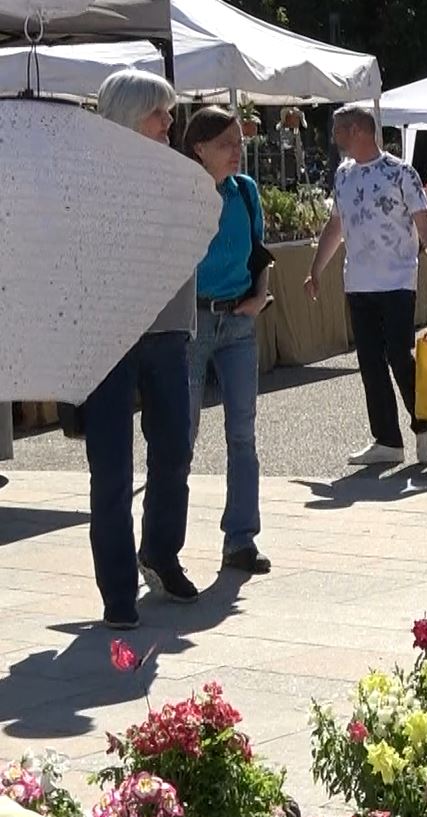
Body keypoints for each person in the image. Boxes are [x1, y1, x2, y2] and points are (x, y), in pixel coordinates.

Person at [83, 70, 200, 628]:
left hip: (169, 330)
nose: (171, 123)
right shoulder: (86, 178)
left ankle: (159, 552)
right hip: (108, 335)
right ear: (131, 114)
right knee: (110, 468)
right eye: (161, 113)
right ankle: (116, 592)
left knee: (174, 451)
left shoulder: (181, 175)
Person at [306, 106, 427, 466]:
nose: (334, 137)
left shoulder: (401, 173)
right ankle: (387, 440)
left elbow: (425, 228)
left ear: (357, 129)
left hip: (396, 281)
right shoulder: (343, 175)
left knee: (399, 357)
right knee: (370, 362)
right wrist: (316, 268)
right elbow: (336, 226)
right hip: (358, 283)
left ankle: (423, 428)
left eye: (338, 130)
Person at [181, 107, 272, 575]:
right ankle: (163, 545)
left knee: (243, 432)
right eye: (226, 144)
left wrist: (259, 297)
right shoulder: (182, 192)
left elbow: (259, 253)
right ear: (199, 149)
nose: (238, 151)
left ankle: (241, 540)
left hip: (237, 321)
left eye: (239, 142)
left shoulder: (245, 192)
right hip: (192, 322)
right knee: (182, 436)